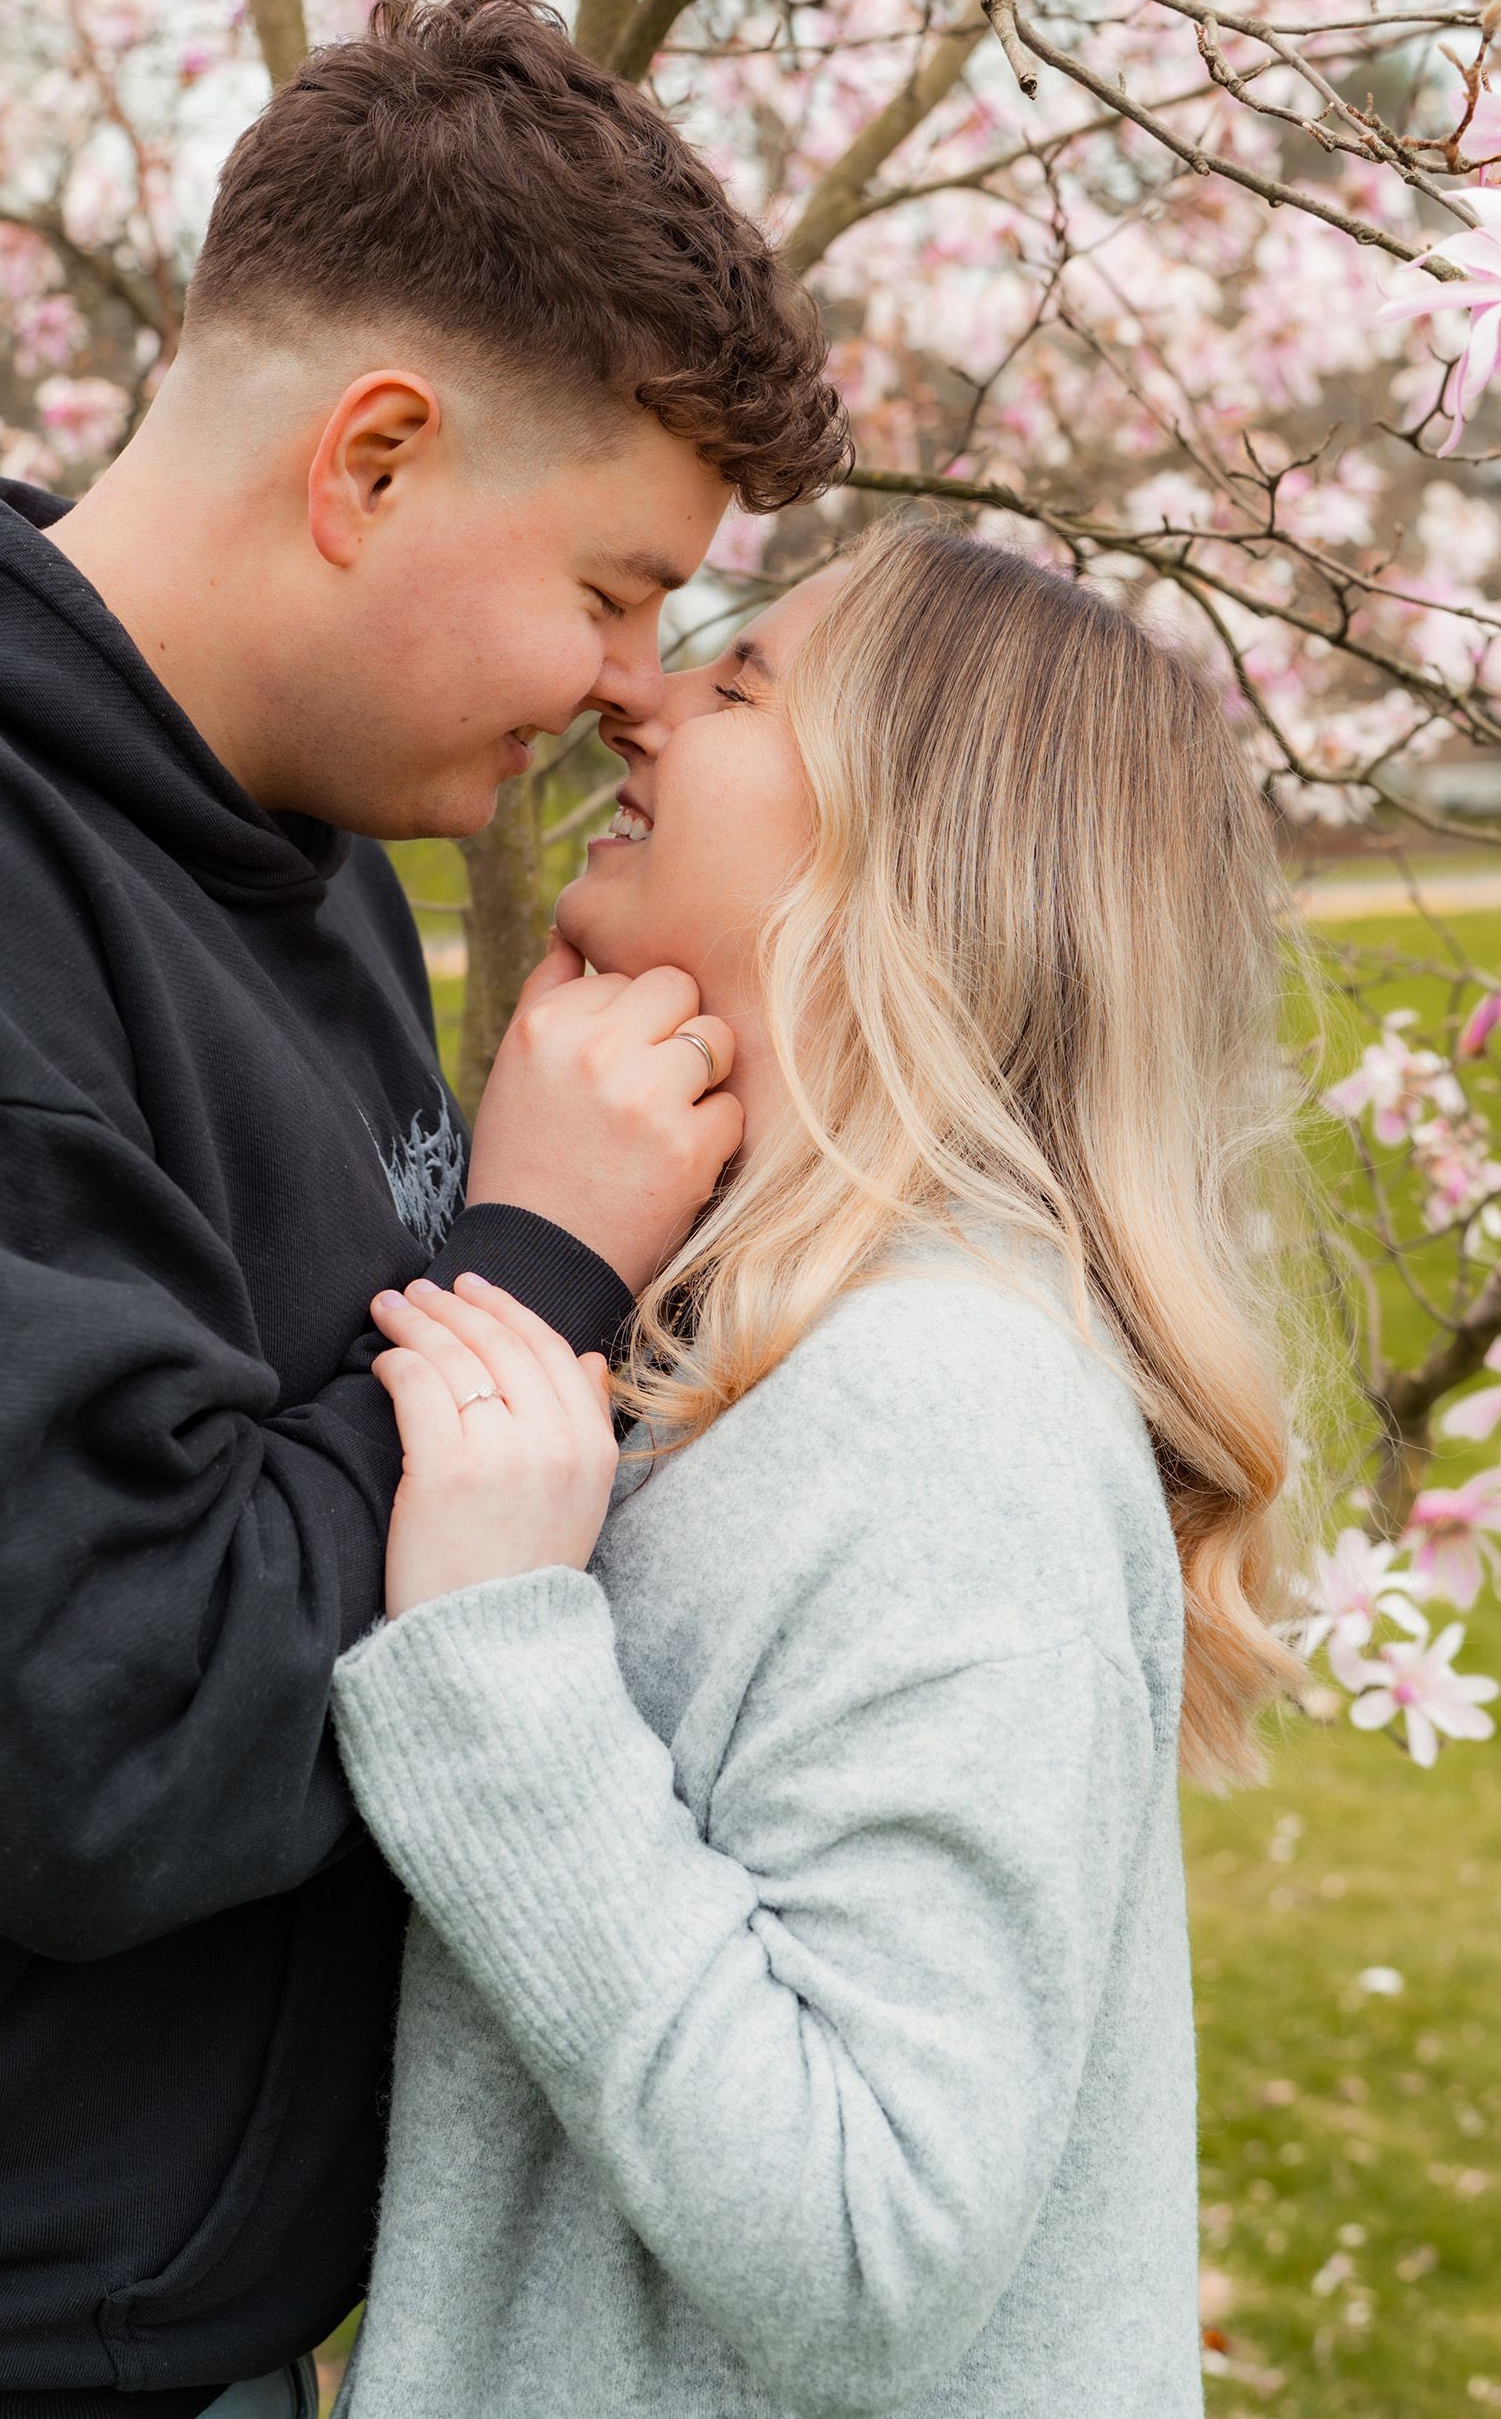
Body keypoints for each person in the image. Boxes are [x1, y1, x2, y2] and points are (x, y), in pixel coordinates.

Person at [0, 0, 848, 2418]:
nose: (637, 683)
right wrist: (535, 1264)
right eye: (618, 586)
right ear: (378, 459)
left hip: (183, 2316)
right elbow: (109, 1728)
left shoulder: (303, 845)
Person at [329, 523, 1312, 2418]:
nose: (638, 697)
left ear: (912, 849)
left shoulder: (945, 1411)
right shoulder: (774, 1360)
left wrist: (486, 1656)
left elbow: (874, 2241)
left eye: (742, 680)